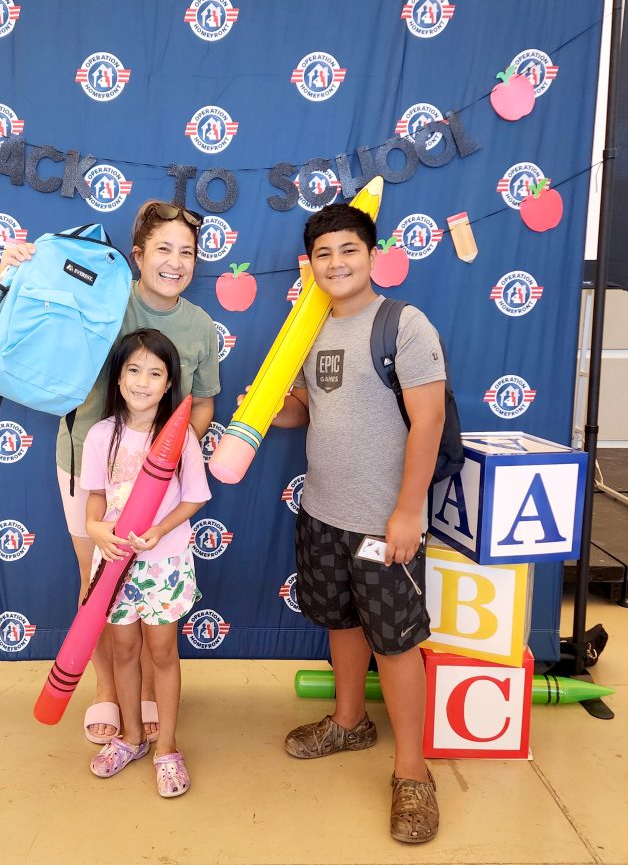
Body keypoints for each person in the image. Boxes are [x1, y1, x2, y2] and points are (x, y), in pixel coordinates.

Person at [0, 201, 219, 743]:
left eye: (186, 252)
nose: (174, 262)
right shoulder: (102, 295)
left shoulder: (199, 327)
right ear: (137, 256)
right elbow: (37, 308)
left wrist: (165, 468)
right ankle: (106, 690)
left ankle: (146, 690)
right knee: (98, 581)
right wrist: (14, 270)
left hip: (160, 491)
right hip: (86, 464)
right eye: (162, 249)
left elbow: (204, 404)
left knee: (146, 587)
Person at [270, 203, 445, 844]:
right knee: (341, 621)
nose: (337, 263)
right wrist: (265, 409)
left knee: (395, 643)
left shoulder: (403, 325)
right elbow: (307, 413)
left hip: (383, 522)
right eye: (324, 254)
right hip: (322, 511)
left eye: (349, 250)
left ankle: (413, 774)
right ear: (307, 265)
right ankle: (349, 721)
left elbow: (426, 421)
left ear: (374, 255)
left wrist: (406, 512)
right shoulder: (308, 326)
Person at [81, 328, 209, 798]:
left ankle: (168, 748)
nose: (142, 381)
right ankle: (132, 738)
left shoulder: (180, 439)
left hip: (164, 565)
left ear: (169, 381)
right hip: (115, 568)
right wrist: (97, 530)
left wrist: (160, 529)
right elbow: (95, 499)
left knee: (162, 654)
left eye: (154, 373)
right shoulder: (100, 435)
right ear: (117, 379)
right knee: (124, 653)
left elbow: (195, 497)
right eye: (133, 370)